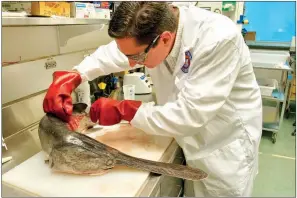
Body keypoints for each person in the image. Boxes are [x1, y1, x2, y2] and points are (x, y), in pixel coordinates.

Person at [43, 2, 263, 197]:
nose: (130, 63)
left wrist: (126, 110)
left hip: (223, 148)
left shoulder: (218, 39)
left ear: (165, 39)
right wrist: (75, 75)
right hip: (188, 142)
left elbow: (190, 114)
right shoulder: (153, 33)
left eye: (137, 58)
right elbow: (117, 52)